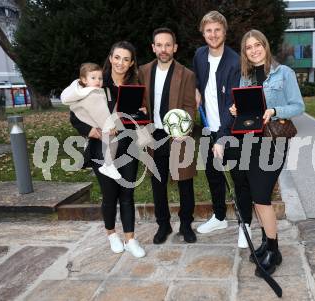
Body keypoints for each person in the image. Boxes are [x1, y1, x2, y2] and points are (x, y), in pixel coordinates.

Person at [229, 29, 305, 276]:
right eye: (248, 47)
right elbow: (248, 112)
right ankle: (267, 244)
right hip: (250, 142)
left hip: (273, 142)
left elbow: (298, 106)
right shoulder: (246, 77)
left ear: (265, 45)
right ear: (245, 52)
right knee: (255, 197)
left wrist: (274, 110)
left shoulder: (284, 73)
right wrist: (236, 110)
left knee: (262, 197)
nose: (253, 50)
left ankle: (274, 251)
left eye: (257, 45)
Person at [63, 41, 146, 257]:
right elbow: (75, 114)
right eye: (117, 57)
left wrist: (141, 113)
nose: (121, 62)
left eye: (126, 59)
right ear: (110, 58)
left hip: (128, 145)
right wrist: (88, 130)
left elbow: (136, 117)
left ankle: (130, 239)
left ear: (131, 63)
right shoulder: (98, 82)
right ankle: (111, 234)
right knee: (110, 195)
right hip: (101, 147)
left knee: (127, 194)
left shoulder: (135, 85)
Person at [193, 10, 252, 249]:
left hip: (232, 130)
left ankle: (245, 224)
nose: (213, 34)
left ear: (225, 32)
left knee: (240, 179)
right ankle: (219, 217)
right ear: (203, 32)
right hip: (208, 127)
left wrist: (223, 137)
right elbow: (198, 81)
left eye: (217, 30)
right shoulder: (198, 55)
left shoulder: (236, 62)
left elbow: (234, 104)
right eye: (209, 30)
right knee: (213, 175)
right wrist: (196, 92)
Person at [139, 27, 197, 244]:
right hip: (154, 136)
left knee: (185, 183)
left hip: (179, 136)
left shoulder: (186, 74)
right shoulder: (142, 71)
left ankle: (185, 225)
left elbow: (190, 106)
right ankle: (163, 225)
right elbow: (139, 101)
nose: (164, 49)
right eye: (159, 45)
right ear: (153, 48)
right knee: (158, 183)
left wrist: (184, 130)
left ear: (175, 47)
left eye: (168, 45)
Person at [61, 62, 121, 180]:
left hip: (95, 128)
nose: (98, 81)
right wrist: (110, 127)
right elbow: (101, 114)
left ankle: (107, 165)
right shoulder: (93, 94)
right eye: (93, 78)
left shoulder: (83, 92)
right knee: (113, 141)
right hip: (98, 128)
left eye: (100, 78)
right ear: (84, 80)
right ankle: (108, 166)